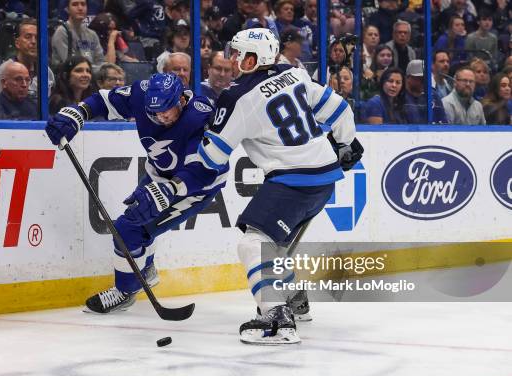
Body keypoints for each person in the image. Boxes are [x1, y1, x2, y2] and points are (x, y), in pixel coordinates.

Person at [192, 28, 360, 344]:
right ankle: (297, 301)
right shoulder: (293, 74)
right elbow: (339, 109)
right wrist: (345, 144)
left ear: (253, 58)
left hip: (294, 180)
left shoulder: (237, 97)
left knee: (252, 244)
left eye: (238, 54)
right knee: (274, 246)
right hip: (324, 177)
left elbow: (212, 156)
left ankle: (275, 317)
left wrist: (197, 132)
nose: (233, 59)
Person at [44, 72, 224, 314]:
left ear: (181, 99)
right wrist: (79, 112)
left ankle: (125, 291)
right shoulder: (141, 94)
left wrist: (171, 189)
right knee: (136, 225)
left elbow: (204, 170)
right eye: (154, 112)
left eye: (167, 110)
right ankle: (145, 271)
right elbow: (105, 100)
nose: (161, 117)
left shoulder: (200, 117)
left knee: (127, 229)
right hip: (158, 175)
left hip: (194, 187)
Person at [0, 19, 55, 98]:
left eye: (37, 38)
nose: (33, 42)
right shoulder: (5, 70)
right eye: (28, 37)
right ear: (17, 43)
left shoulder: (46, 71)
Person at [51, 0, 105, 71]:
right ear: (67, 9)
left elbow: (100, 61)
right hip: (69, 78)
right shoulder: (62, 32)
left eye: (83, 4)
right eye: (75, 4)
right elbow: (71, 65)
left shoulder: (92, 34)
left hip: (92, 77)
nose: (80, 8)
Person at [403, 59, 448, 123]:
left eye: (425, 78)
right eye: (419, 78)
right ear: (407, 78)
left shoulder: (433, 95)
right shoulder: (401, 96)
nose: (423, 82)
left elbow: (443, 122)